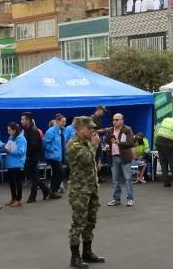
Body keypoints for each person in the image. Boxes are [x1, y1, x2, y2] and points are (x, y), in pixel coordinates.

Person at [66, 116, 105, 268]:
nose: (92, 131)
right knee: (79, 223)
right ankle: (75, 257)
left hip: (91, 187)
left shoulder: (86, 142)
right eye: (90, 128)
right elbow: (88, 160)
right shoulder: (74, 144)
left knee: (90, 221)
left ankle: (87, 252)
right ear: (81, 129)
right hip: (79, 190)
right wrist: (95, 146)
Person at [105, 113, 135, 207]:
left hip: (125, 157)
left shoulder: (127, 129)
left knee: (128, 179)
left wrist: (119, 143)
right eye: (113, 119)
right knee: (115, 180)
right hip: (113, 157)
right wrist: (106, 146)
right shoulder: (109, 131)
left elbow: (131, 143)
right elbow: (107, 141)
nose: (114, 121)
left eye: (117, 120)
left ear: (122, 120)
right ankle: (116, 199)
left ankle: (130, 199)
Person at [21, 112, 49, 203]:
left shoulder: (33, 130)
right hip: (31, 156)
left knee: (33, 177)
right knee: (34, 176)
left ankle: (33, 196)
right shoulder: (27, 130)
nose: (21, 121)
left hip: (32, 157)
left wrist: (28, 156)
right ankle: (45, 190)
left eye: (23, 119)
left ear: (28, 120)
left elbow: (34, 145)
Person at [155, 116, 173, 187]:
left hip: (158, 141)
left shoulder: (166, 119)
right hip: (168, 143)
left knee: (163, 163)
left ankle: (166, 182)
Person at [44, 114, 66, 200]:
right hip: (52, 156)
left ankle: (51, 191)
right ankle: (54, 190)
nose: (64, 123)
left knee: (56, 173)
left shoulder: (62, 130)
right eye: (62, 121)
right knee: (61, 172)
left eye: (65, 121)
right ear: (57, 121)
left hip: (59, 156)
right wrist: (53, 150)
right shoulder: (51, 131)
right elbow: (45, 143)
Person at [4, 122, 26, 207]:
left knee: (18, 182)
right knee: (11, 182)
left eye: (9, 130)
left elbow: (21, 152)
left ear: (14, 130)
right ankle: (13, 198)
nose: (8, 132)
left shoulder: (21, 139)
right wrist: (6, 148)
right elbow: (8, 146)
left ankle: (18, 199)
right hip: (10, 163)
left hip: (17, 163)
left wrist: (11, 151)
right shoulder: (11, 137)